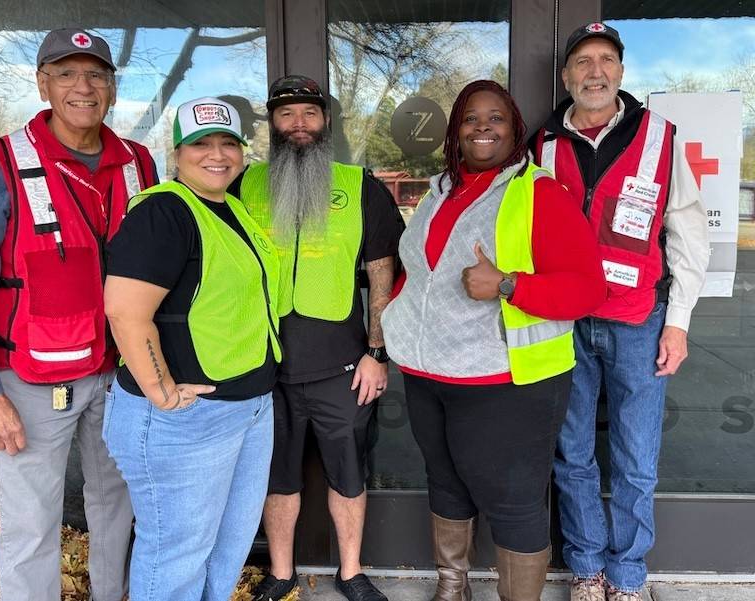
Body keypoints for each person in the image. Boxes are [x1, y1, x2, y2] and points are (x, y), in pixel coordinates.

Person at [381, 79, 607, 601]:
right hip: (428, 374)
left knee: (514, 501)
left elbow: (588, 289)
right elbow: (420, 275)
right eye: (470, 118)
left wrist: (507, 284)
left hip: (507, 381)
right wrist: (389, 326)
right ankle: (451, 588)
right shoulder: (439, 192)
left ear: (515, 131)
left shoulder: (540, 192)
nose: (482, 127)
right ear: (456, 131)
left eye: (496, 118)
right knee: (446, 483)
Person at [0, 28, 157, 601]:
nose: (82, 87)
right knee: (30, 523)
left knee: (117, 506)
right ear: (43, 84)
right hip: (30, 382)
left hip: (122, 375)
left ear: (113, 89)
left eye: (96, 74)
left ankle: (112, 594)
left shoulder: (139, 163)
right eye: (66, 74)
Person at [531, 23, 710, 601]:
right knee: (572, 452)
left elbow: (686, 234)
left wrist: (678, 322)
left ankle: (628, 576)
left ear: (622, 73)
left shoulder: (658, 137)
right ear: (566, 76)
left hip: (638, 321)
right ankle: (586, 569)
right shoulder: (544, 145)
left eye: (606, 60)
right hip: (565, 322)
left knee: (636, 459)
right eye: (583, 62)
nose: (595, 72)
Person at [101, 97, 280, 601]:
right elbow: (125, 312)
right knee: (176, 555)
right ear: (176, 153)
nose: (216, 154)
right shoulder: (164, 212)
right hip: (187, 419)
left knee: (226, 547)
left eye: (228, 142)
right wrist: (161, 393)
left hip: (247, 408)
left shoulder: (231, 208)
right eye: (200, 143)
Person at [234, 75, 404, 601]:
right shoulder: (244, 184)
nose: (299, 124)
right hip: (264, 367)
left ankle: (351, 572)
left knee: (348, 473)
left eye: (310, 113)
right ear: (273, 125)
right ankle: (281, 572)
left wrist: (378, 354)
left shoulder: (359, 187)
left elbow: (383, 273)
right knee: (276, 476)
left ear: (327, 121)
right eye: (287, 115)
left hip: (342, 366)